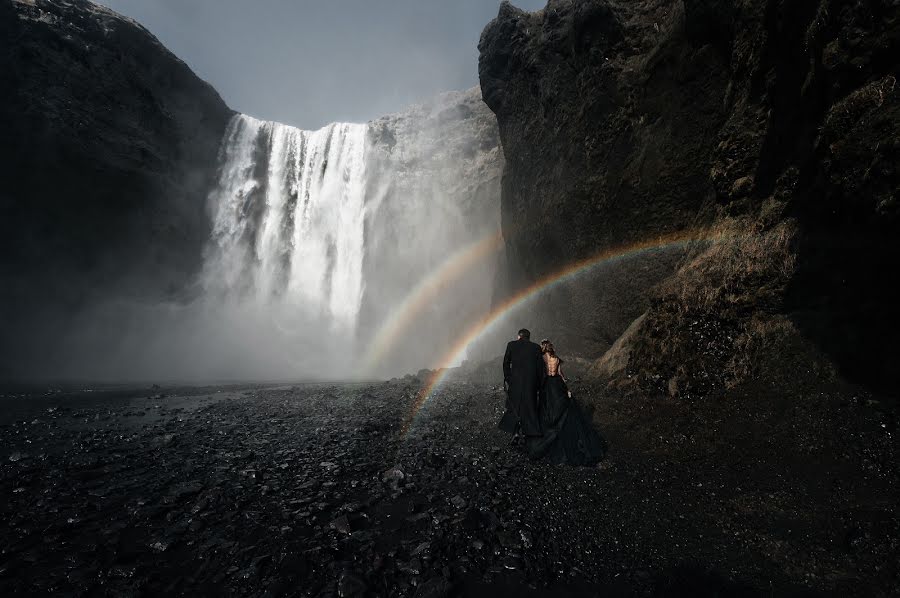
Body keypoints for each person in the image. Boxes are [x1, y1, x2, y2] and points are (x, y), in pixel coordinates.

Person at [529, 339, 607, 466]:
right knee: (563, 406)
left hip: (548, 384)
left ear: (543, 347)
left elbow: (541, 373)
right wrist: (567, 390)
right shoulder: (557, 359)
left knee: (548, 407)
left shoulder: (542, 358)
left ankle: (550, 429)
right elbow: (560, 374)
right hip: (557, 384)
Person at [499, 328, 544, 446]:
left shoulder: (511, 345)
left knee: (514, 406)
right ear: (529, 337)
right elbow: (540, 368)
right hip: (531, 383)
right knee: (529, 407)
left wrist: (509, 378)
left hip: (515, 382)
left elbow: (505, 363)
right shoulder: (536, 348)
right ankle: (527, 434)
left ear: (519, 336)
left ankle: (515, 433)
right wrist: (539, 384)